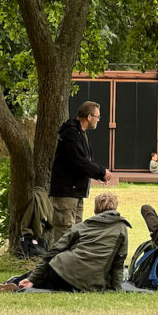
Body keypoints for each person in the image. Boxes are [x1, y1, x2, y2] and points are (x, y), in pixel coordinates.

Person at [0, 193, 131, 293]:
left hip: (61, 269)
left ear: (95, 209)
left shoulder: (82, 227)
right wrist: (116, 288)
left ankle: (17, 282)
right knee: (43, 281)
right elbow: (118, 263)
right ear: (115, 208)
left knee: (40, 277)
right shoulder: (122, 229)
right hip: (88, 282)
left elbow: (53, 252)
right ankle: (23, 283)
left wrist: (33, 276)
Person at [48, 101, 113, 245]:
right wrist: (102, 172)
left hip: (76, 192)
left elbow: (85, 161)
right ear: (89, 117)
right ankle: (57, 267)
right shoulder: (71, 133)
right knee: (64, 236)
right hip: (66, 193)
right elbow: (80, 161)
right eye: (97, 117)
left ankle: (71, 266)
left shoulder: (80, 133)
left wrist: (98, 174)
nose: (98, 120)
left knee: (76, 235)